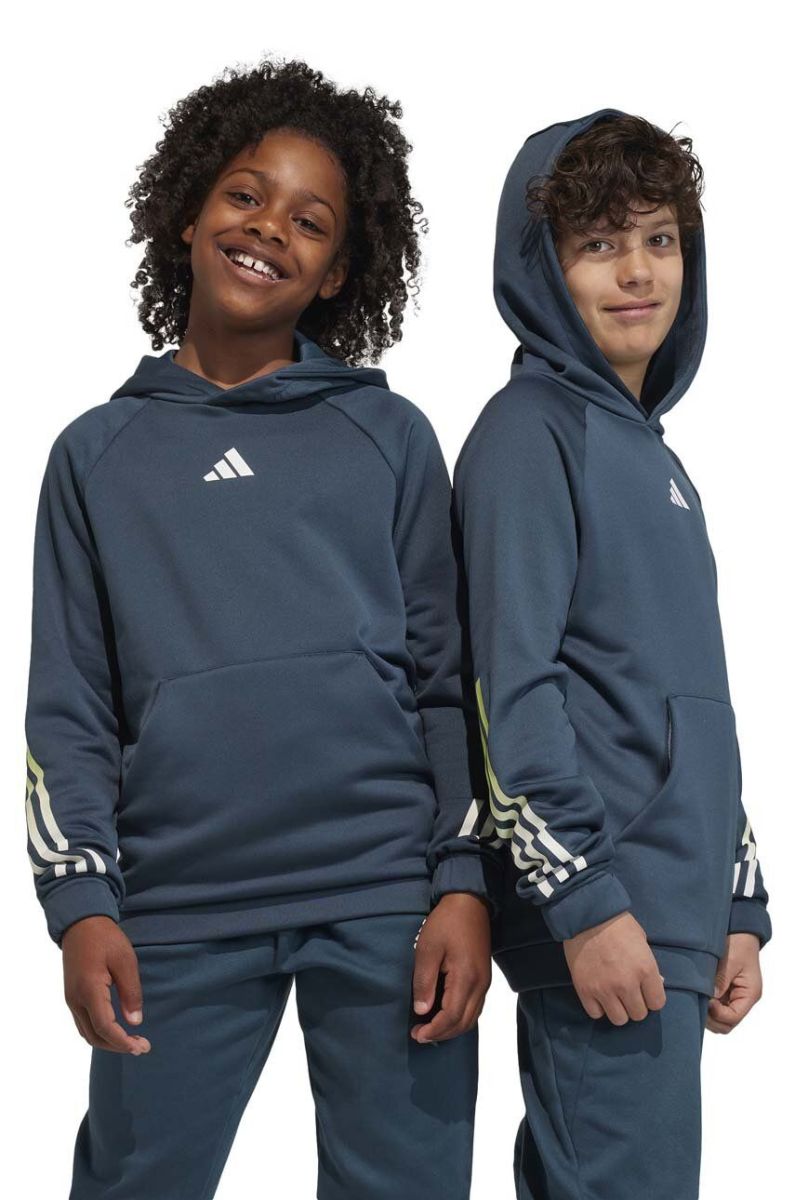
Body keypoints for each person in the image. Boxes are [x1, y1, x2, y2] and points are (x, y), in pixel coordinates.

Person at [23, 58, 494, 1200]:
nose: (269, 227)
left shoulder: (388, 436)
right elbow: (70, 707)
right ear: (187, 213)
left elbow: (449, 684)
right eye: (244, 194)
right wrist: (81, 904)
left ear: (338, 273)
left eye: (309, 221)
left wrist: (464, 882)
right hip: (178, 904)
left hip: (385, 897)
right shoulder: (96, 456)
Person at [453, 109, 772, 1199]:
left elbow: (691, 702)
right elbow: (509, 691)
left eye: (660, 239)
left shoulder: (654, 461)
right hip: (602, 913)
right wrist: (582, 902)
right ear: (543, 270)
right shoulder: (531, 433)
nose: (638, 272)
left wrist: (736, 901)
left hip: (669, 919)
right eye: (599, 244)